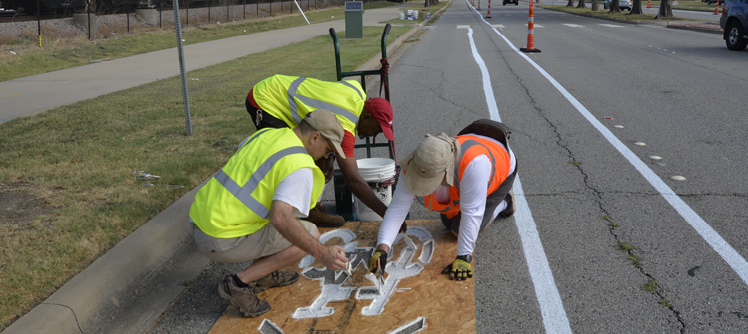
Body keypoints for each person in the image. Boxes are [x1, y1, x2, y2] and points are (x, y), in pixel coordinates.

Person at [190, 109, 352, 317]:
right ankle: (238, 284)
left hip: (203, 219)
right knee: (310, 234)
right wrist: (322, 253)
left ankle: (264, 274)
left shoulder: (267, 134)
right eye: (328, 149)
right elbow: (281, 218)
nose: (326, 155)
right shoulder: (299, 165)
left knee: (286, 219)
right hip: (219, 238)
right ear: (315, 137)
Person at [368, 121, 518, 281]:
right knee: (448, 222)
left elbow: (472, 214)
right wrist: (382, 248)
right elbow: (397, 209)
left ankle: (504, 203)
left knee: (457, 231)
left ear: (446, 172)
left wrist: (463, 257)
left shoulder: (474, 164)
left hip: (500, 167)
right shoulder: (416, 162)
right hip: (463, 175)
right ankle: (467, 200)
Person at [245, 74, 396, 227]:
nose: (374, 135)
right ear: (365, 117)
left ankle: (311, 209)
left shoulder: (357, 92)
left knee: (321, 158)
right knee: (288, 156)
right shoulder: (346, 128)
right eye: (377, 129)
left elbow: (327, 109)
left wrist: (329, 155)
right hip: (266, 99)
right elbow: (353, 180)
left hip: (279, 85)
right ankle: (277, 212)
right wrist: (388, 215)